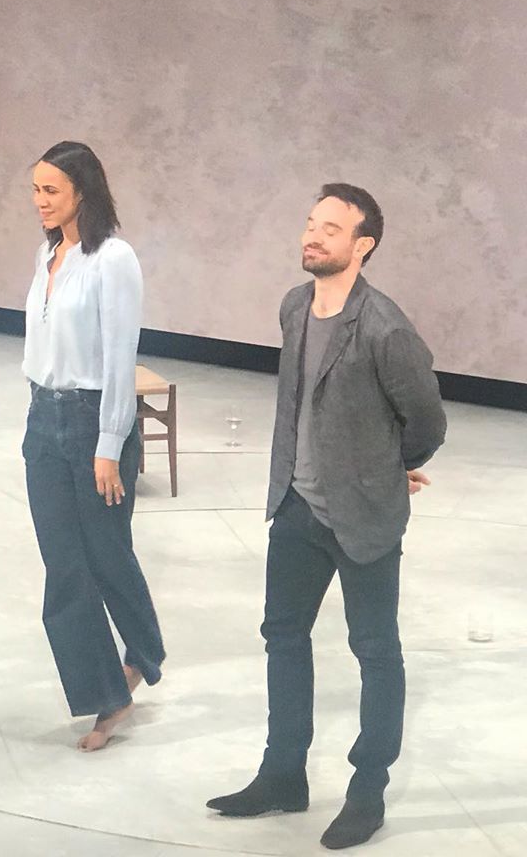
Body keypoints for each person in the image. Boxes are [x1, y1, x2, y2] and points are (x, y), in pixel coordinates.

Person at [207, 184, 447, 849]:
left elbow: (427, 421)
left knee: (375, 652)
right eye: (311, 223)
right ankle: (282, 775)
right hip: (296, 506)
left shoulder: (385, 329)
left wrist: (386, 467)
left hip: (364, 521)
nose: (312, 235)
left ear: (362, 245)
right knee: (283, 637)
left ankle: (368, 791)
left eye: (331, 228)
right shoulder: (294, 306)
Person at [21, 140, 165, 752]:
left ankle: (144, 650)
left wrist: (109, 443)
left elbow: (118, 356)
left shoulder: (113, 259)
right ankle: (109, 694)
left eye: (51, 190)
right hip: (42, 421)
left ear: (83, 191)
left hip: (92, 423)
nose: (40, 201)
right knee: (63, 566)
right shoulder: (48, 253)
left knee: (106, 554)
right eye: (35, 190)